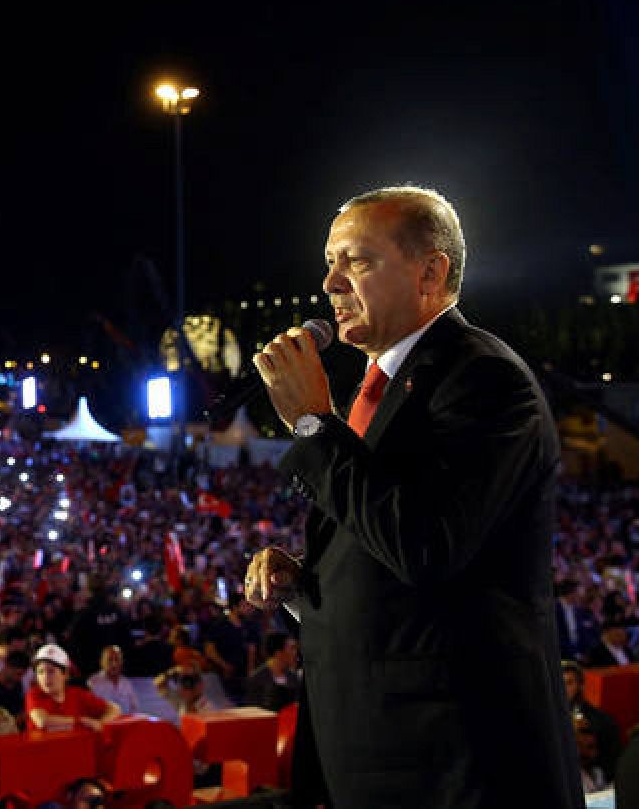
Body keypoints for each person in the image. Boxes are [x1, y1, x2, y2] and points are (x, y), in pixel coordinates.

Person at [245, 185, 579, 807]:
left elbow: (427, 546)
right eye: (330, 260)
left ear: (430, 273)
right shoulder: (381, 389)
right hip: (382, 757)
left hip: (459, 765)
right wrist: (303, 584)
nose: (330, 283)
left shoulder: (483, 378)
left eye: (356, 260)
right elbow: (384, 543)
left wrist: (313, 426)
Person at [26, 646, 119, 732]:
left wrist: (100, 724)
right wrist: (82, 720)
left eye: (51, 671)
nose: (45, 677)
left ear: (65, 674)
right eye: (40, 672)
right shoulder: (34, 694)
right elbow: (42, 721)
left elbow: (114, 709)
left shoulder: (77, 694)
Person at [562, 661, 620, 786]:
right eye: (559, 684)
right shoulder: (548, 720)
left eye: (569, 683)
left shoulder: (601, 721)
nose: (563, 690)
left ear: (581, 685)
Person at [243, 633, 301, 713]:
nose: (296, 653)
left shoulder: (294, 678)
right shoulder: (256, 679)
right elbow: (252, 713)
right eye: (292, 648)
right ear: (278, 652)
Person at [84, 646, 140, 716]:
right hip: (103, 725)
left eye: (117, 659)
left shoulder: (126, 683)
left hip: (125, 724)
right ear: (102, 662)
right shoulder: (93, 683)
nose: (114, 664)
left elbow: (134, 710)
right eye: (110, 660)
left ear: (121, 662)